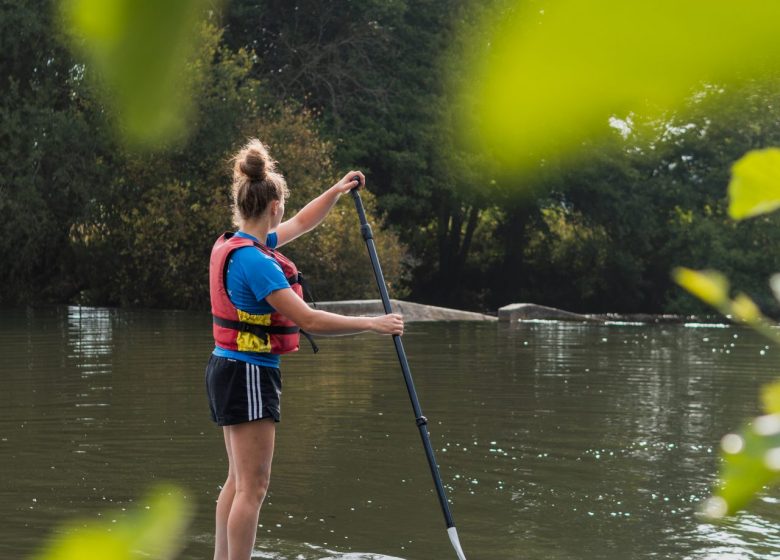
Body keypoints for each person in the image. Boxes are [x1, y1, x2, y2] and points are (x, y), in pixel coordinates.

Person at [205, 138, 404, 560]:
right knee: (253, 487)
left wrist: (336, 191)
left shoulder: (239, 246)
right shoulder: (258, 263)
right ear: (273, 206)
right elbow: (309, 320)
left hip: (227, 368)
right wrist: (373, 323)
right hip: (248, 374)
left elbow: (300, 223)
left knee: (238, 481)